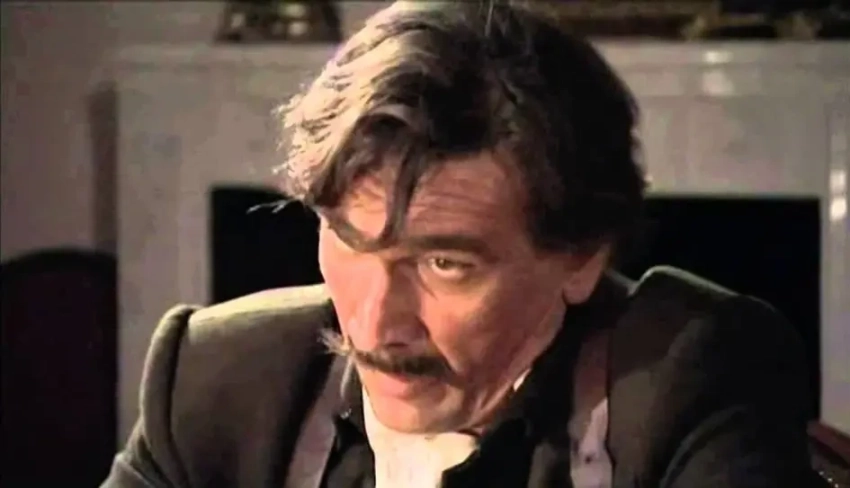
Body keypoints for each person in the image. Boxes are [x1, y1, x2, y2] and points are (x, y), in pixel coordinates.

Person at [102, 2, 816, 487]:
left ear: (580, 258)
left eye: (444, 264)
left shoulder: (691, 378)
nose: (376, 325)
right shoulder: (214, 379)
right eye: (349, 240)